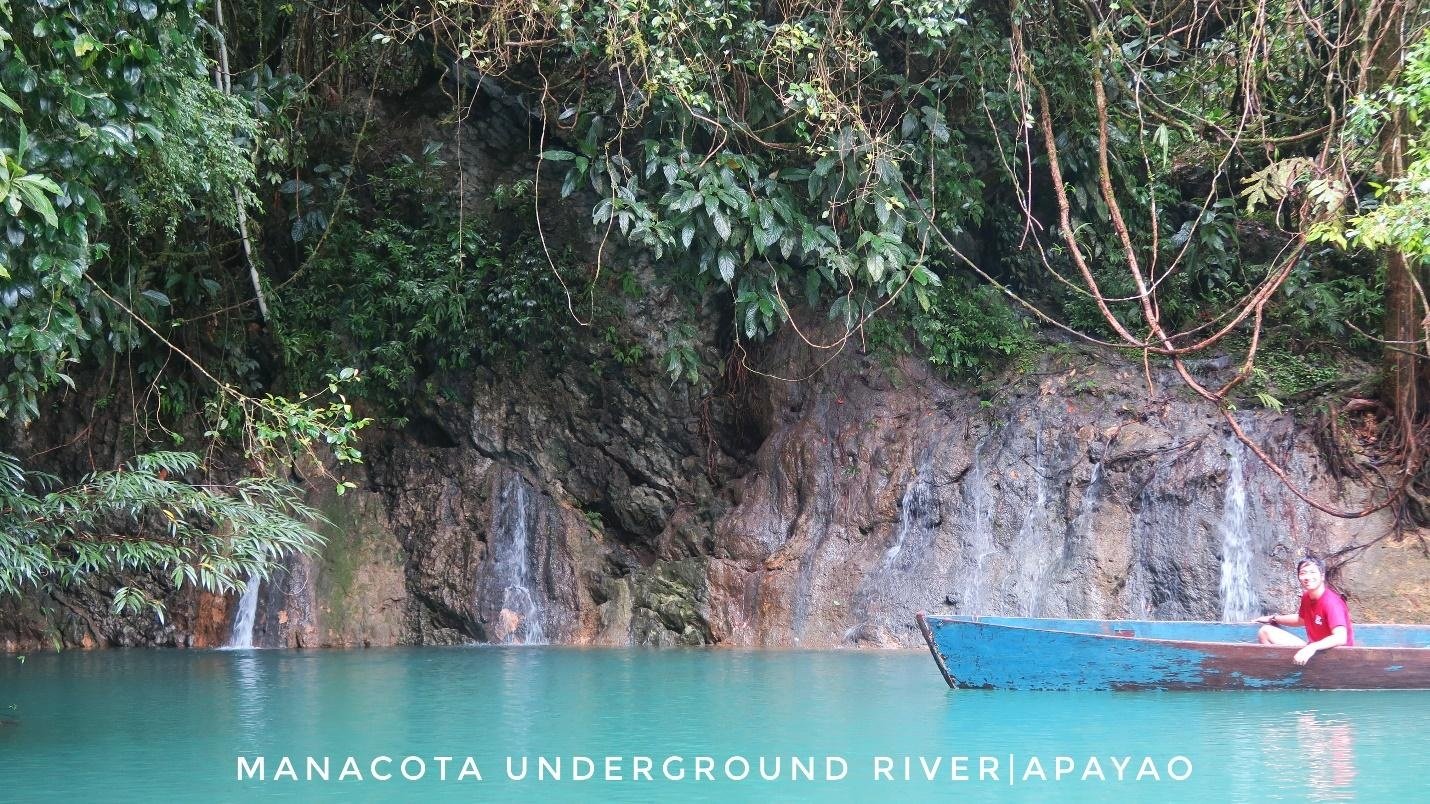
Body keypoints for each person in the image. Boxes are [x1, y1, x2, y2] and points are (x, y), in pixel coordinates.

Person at [1254, 556, 1354, 665]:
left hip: (1337, 658)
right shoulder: (1307, 597)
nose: (1307, 577)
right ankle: (1277, 673)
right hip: (1315, 651)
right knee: (1264, 632)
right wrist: (1273, 618)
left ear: (1322, 576)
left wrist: (1312, 647)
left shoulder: (1332, 603)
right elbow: (1301, 620)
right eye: (1303, 573)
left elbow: (1340, 637)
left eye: (1312, 572)